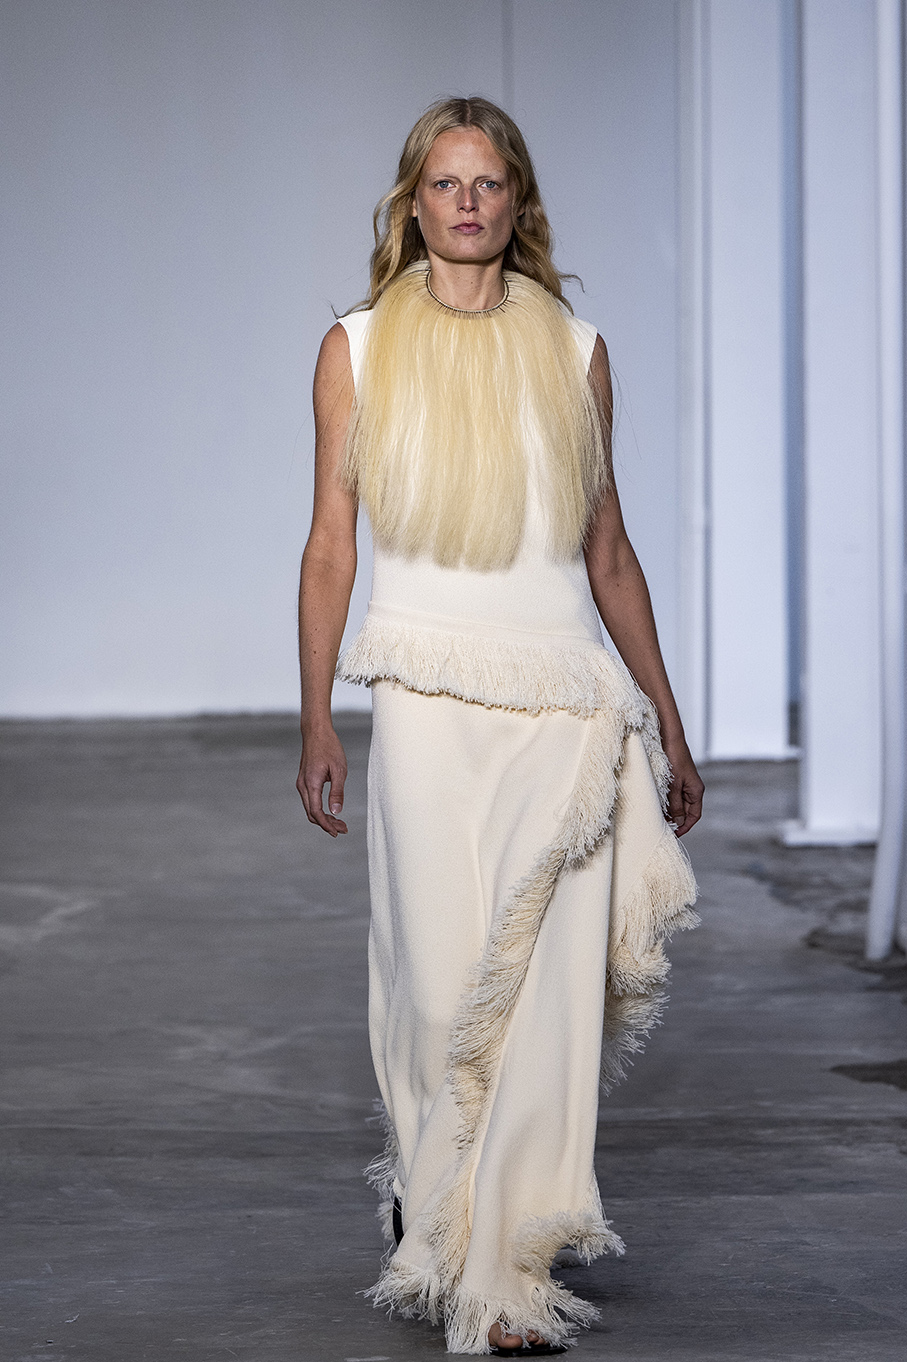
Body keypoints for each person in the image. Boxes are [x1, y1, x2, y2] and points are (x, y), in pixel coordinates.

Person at [296, 96, 703, 1358]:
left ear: (516, 201)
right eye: (444, 183)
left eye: (487, 183)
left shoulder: (576, 350)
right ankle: (436, 1200)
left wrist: (668, 720)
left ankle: (503, 1272)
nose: (466, 203)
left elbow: (608, 549)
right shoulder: (357, 348)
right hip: (423, 700)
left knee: (541, 992)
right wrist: (315, 717)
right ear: (411, 203)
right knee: (437, 985)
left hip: (563, 703)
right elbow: (329, 546)